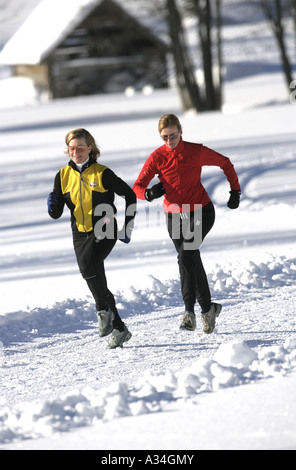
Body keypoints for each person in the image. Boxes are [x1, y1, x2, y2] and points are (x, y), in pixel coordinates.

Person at [133, 114, 241, 334]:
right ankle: (208, 308)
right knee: (190, 257)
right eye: (165, 137)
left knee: (185, 255)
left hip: (201, 211)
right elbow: (137, 186)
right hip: (173, 215)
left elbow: (225, 162)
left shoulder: (196, 151)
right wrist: (148, 193)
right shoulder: (157, 157)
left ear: (181, 131)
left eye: (173, 135)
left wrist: (235, 190)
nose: (169, 140)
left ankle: (189, 313)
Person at [47, 128, 136, 348]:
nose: (76, 151)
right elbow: (56, 213)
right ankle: (119, 328)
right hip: (79, 233)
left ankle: (102, 311)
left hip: (104, 228)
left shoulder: (102, 172)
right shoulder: (62, 175)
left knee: (88, 266)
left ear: (90, 148)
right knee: (95, 276)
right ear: (68, 150)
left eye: (80, 147)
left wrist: (128, 226)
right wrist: (51, 203)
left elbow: (130, 195)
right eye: (72, 148)